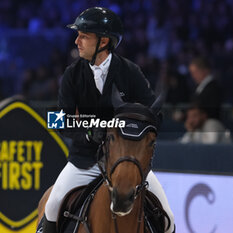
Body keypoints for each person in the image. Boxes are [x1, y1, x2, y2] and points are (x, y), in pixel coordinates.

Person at [43, 7, 175, 233]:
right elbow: (57, 121)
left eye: (84, 36)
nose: (77, 42)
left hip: (126, 161)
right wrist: (86, 132)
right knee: (52, 206)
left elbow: (155, 115)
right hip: (84, 161)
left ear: (103, 42)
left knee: (168, 220)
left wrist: (132, 130)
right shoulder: (71, 75)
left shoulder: (130, 72)